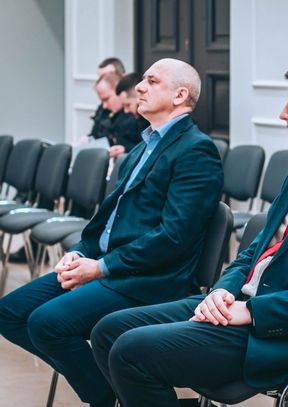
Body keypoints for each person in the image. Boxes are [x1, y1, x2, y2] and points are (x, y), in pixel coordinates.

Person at [90, 55, 288, 407]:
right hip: (243, 305)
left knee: (131, 351)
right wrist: (222, 291)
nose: (283, 114)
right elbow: (255, 252)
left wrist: (254, 312)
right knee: (108, 330)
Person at [0, 58, 224, 407]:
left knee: (46, 323)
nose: (140, 87)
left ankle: (105, 398)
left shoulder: (196, 150)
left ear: (180, 95)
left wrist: (100, 267)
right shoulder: (143, 145)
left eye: (152, 81)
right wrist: (80, 252)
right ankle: (115, 392)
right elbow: (108, 218)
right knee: (10, 312)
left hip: (148, 279)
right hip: (108, 265)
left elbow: (173, 237)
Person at [93, 72, 141, 158]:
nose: (104, 106)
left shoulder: (136, 117)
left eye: (106, 99)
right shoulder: (103, 112)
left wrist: (125, 149)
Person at [109, 72, 150, 158]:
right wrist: (125, 149)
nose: (126, 111)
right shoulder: (138, 119)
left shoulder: (152, 120)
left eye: (128, 105)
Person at [89, 57, 126, 141]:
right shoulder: (102, 108)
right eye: (100, 77)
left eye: (109, 77)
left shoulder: (134, 110)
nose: (103, 80)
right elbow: (94, 134)